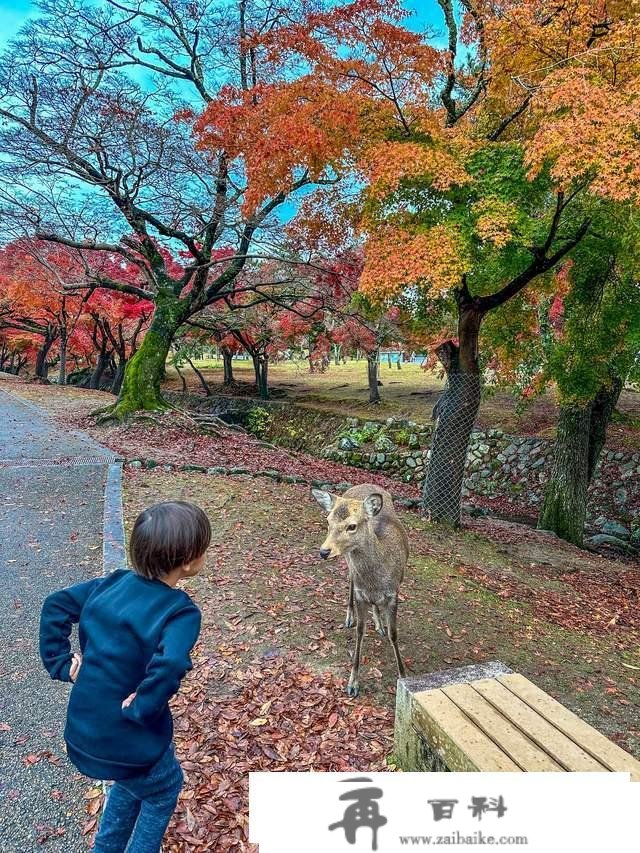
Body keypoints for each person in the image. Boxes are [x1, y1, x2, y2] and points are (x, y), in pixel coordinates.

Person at [39, 500, 211, 853]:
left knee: (132, 781)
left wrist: (59, 660)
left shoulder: (111, 584)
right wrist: (143, 707)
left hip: (83, 731)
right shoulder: (180, 612)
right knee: (163, 790)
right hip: (130, 738)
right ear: (190, 560)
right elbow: (171, 664)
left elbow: (56, 604)